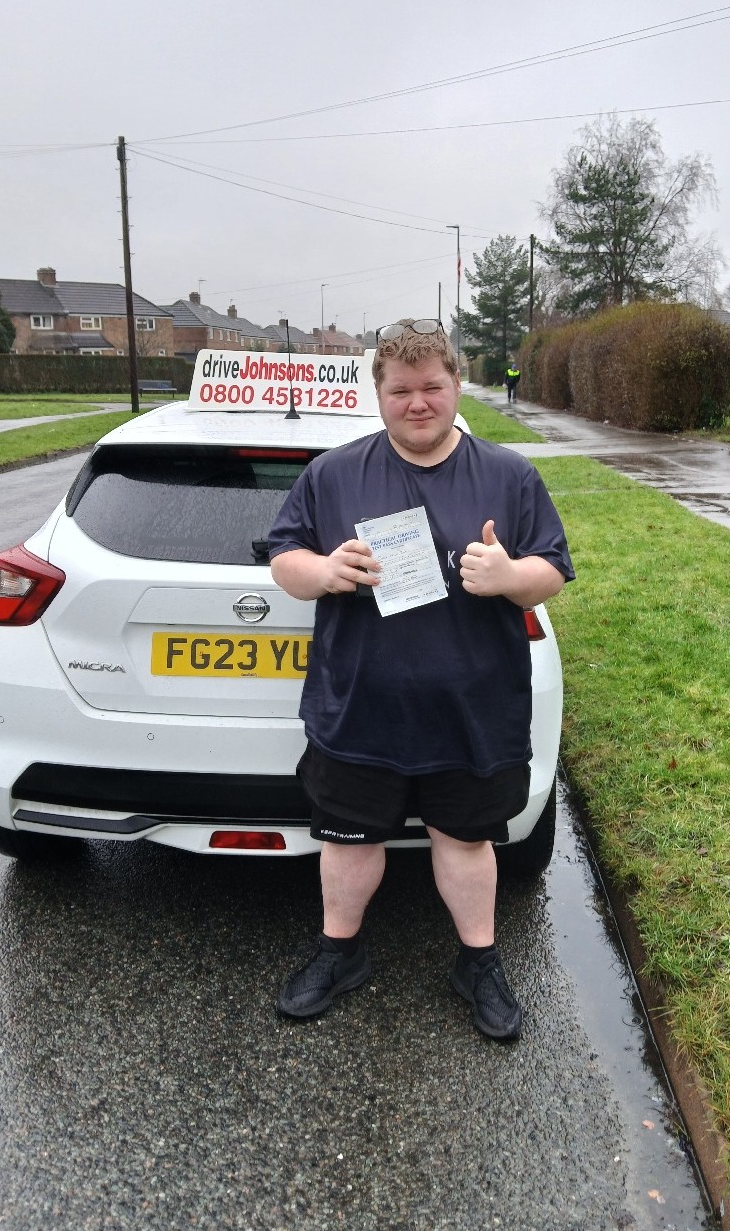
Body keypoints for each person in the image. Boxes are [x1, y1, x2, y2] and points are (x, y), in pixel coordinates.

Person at [267, 318, 574, 1040]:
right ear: (377, 392)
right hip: (358, 704)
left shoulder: (508, 474)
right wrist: (323, 571)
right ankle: (337, 952)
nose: (417, 402)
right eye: (400, 389)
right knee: (346, 839)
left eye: (431, 386)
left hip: (471, 707)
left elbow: (551, 570)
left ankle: (478, 962)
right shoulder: (334, 472)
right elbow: (285, 557)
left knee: (465, 841)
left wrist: (509, 576)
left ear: (455, 385)